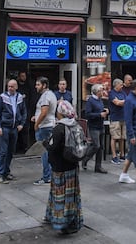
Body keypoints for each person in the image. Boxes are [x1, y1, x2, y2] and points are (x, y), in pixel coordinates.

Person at [44, 100, 83, 235]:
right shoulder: (76, 125)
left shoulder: (59, 128)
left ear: (60, 113)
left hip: (60, 166)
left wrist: (45, 144)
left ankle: (62, 221)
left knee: (59, 193)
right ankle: (73, 219)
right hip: (72, 165)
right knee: (71, 194)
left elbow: (53, 147)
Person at [0, 79, 27, 184]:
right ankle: (0, 174)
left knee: (10, 151)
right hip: (5, 127)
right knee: (3, 151)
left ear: (16, 87)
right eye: (9, 86)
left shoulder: (20, 98)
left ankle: (6, 172)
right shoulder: (2, 97)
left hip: (14, 128)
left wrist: (21, 123)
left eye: (12, 86)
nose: (10, 88)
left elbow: (24, 112)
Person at [32, 76, 58, 185]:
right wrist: (36, 116)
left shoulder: (45, 96)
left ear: (44, 85)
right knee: (49, 151)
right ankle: (51, 175)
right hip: (49, 125)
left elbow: (44, 112)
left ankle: (46, 176)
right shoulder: (51, 94)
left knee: (44, 152)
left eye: (38, 84)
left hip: (44, 127)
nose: (36, 86)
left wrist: (37, 124)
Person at [82, 83, 109, 173]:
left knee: (101, 147)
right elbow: (88, 114)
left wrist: (105, 111)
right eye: (101, 90)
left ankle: (98, 166)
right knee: (96, 145)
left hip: (101, 125)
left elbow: (100, 110)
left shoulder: (100, 100)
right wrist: (99, 114)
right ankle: (85, 158)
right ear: (97, 91)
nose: (103, 92)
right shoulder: (90, 101)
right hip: (93, 126)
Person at [108, 78, 127, 164]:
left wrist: (121, 101)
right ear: (116, 85)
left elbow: (127, 101)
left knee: (122, 137)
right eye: (121, 84)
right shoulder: (111, 93)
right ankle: (114, 156)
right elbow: (117, 103)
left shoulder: (123, 93)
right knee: (115, 137)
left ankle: (122, 154)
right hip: (115, 118)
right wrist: (121, 102)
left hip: (123, 117)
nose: (122, 86)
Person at [16, 71, 32, 153]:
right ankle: (16, 148)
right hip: (17, 113)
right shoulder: (16, 87)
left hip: (26, 112)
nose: (23, 78)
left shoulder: (28, 87)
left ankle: (24, 147)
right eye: (22, 76)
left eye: (24, 76)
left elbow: (30, 99)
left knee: (25, 131)